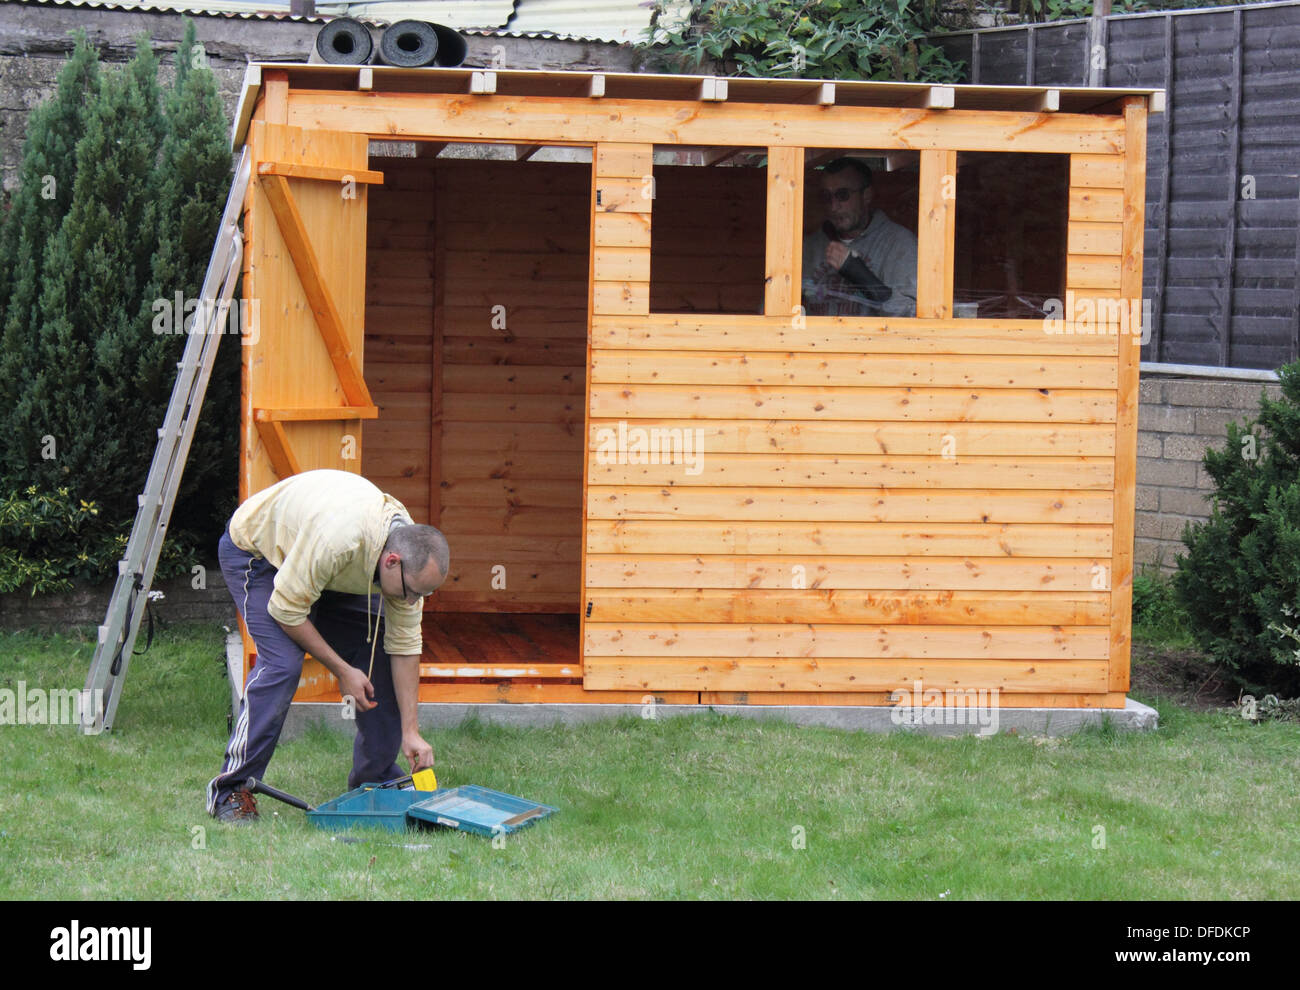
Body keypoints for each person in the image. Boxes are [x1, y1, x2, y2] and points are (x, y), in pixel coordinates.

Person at [207, 468, 450, 824]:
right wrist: (342, 670)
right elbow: (287, 610)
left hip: (321, 566)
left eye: (424, 594)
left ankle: (376, 779)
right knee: (283, 664)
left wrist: (411, 732)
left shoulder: (407, 557)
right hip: (259, 557)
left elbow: (405, 645)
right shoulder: (340, 539)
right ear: (391, 561)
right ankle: (231, 789)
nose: (415, 602)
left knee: (379, 648)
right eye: (413, 592)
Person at [802, 157, 918, 317]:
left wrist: (856, 272)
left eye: (843, 195)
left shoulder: (900, 244)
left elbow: (912, 315)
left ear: (867, 195)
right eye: (826, 196)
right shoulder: (810, 247)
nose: (834, 206)